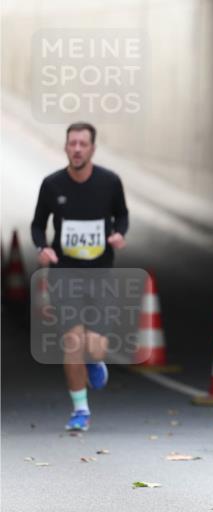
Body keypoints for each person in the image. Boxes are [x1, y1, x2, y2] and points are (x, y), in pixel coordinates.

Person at [31, 122, 129, 432]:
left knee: (95, 346)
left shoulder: (110, 182)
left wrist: (118, 234)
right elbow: (37, 224)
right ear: (65, 147)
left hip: (100, 273)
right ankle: (80, 410)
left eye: (82, 144)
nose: (76, 148)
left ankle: (94, 361)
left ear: (92, 149)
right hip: (65, 275)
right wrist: (42, 247)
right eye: (71, 143)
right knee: (71, 340)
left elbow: (122, 214)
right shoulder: (52, 185)